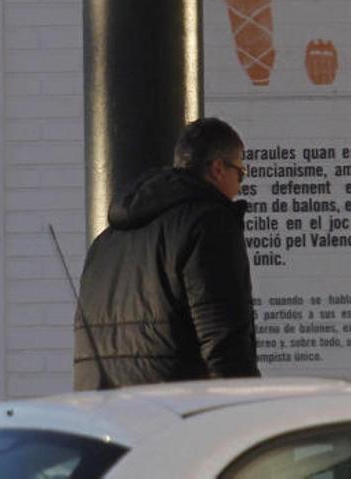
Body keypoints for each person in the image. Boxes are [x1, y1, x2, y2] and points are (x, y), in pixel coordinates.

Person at [74, 117, 261, 390]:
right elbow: (223, 340)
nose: (240, 186)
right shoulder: (208, 224)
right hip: (176, 412)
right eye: (240, 174)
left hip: (105, 413)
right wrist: (245, 406)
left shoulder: (104, 243)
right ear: (218, 168)